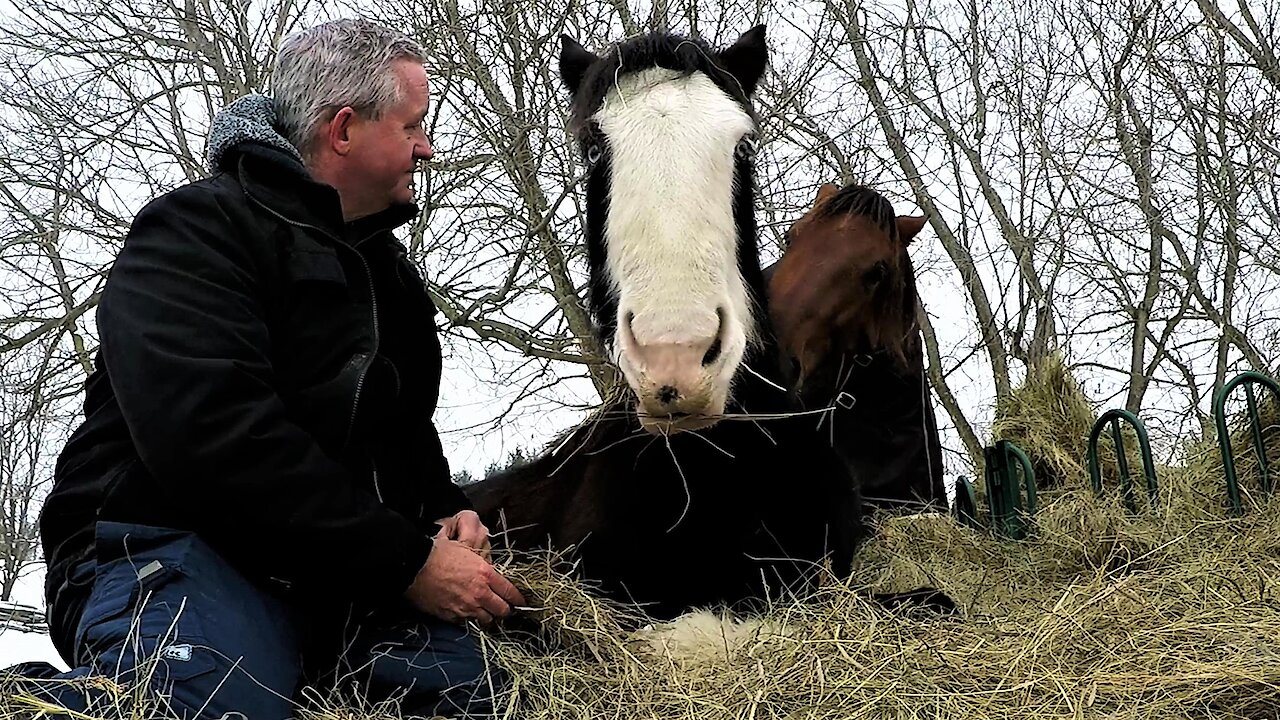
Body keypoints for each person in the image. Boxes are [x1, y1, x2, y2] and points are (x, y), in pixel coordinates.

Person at [6, 17, 526, 720]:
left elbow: (403, 437)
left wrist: (443, 515)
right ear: (344, 130)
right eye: (412, 127)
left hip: (335, 572)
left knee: (492, 695)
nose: (426, 149)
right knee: (215, 703)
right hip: (170, 545)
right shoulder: (195, 232)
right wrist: (406, 561)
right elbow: (212, 436)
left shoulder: (392, 282)